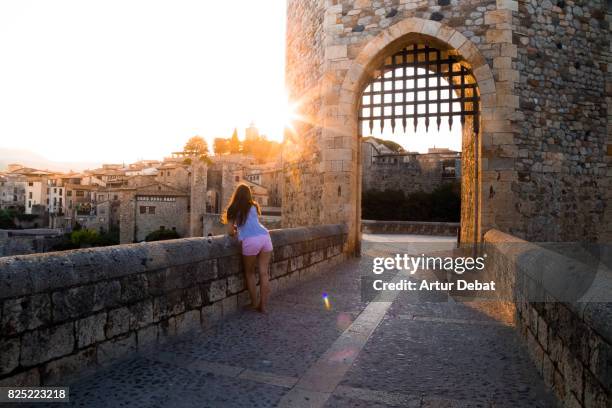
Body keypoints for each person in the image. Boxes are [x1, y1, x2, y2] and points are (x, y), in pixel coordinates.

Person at [222, 184, 273, 313]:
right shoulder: (254, 206)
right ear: (248, 194)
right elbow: (253, 223)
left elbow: (229, 232)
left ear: (236, 194)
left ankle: (255, 303)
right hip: (265, 236)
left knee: (249, 273)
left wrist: (236, 229)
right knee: (264, 273)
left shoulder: (232, 208)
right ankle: (263, 306)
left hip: (250, 240)